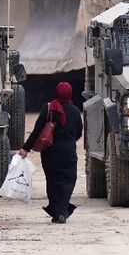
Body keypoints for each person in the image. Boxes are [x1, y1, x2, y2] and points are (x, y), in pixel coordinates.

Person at [18, 82, 82, 224]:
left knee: (53, 181)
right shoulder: (75, 111)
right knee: (68, 180)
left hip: (50, 153)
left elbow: (37, 131)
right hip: (68, 152)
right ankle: (62, 211)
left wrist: (25, 148)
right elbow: (78, 133)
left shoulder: (48, 109)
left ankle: (58, 211)